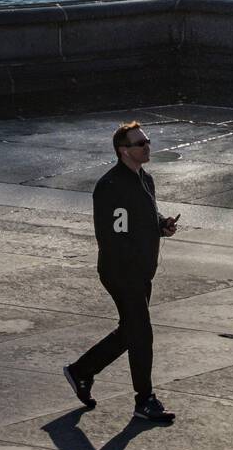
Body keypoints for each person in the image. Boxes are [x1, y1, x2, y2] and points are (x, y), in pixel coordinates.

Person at [64, 122, 179, 424]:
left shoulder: (145, 179)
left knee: (130, 331)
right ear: (123, 151)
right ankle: (145, 401)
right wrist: (129, 272)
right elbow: (111, 236)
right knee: (141, 332)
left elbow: (143, 216)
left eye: (147, 141)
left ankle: (81, 371)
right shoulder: (111, 186)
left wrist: (161, 224)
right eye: (140, 144)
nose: (147, 147)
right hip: (122, 272)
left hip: (142, 272)